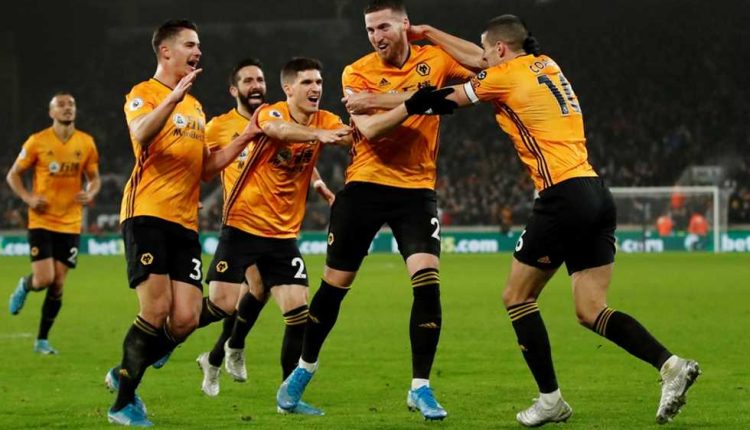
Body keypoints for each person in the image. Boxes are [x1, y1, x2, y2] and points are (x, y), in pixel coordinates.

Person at [411, 14, 700, 426]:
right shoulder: (546, 64)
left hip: (562, 196)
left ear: (500, 49)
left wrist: (391, 103)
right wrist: (428, 34)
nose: (483, 58)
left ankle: (550, 400)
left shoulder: (504, 75)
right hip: (595, 192)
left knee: (517, 297)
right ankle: (671, 366)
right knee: (590, 309)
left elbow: (444, 100)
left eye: (487, 50)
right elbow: (479, 61)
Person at [276, 0, 473, 421]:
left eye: (383, 26)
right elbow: (367, 128)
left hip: (416, 190)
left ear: (404, 25)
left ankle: (420, 387)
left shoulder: (434, 59)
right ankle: (304, 368)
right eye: (370, 29)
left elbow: (486, 66)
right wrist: (417, 103)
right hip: (364, 186)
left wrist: (430, 33)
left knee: (427, 284)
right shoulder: (356, 71)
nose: (376, 36)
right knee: (334, 288)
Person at [104, 19, 262, 427]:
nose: (198, 51)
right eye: (190, 44)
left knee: (187, 319)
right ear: (166, 51)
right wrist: (172, 98)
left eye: (198, 45)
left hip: (184, 223)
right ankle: (123, 403)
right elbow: (141, 133)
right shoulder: (144, 93)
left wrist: (245, 137)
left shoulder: (195, 107)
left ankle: (126, 369)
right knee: (155, 310)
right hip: (147, 214)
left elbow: (206, 168)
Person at [194, 57, 336, 403]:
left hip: (280, 227)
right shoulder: (220, 126)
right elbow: (198, 164)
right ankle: (175, 337)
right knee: (234, 299)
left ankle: (226, 352)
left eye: (260, 79)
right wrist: (190, 194)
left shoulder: (277, 116)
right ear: (234, 89)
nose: (256, 85)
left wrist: (318, 184)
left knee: (260, 293)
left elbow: (297, 154)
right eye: (248, 81)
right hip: (242, 221)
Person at [6, 92, 100, 355]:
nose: (67, 108)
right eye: (61, 105)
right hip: (42, 220)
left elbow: (94, 178)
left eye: (71, 104)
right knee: (44, 279)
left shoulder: (86, 142)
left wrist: (90, 192)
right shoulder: (37, 141)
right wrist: (28, 198)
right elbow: (13, 175)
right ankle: (26, 285)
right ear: (51, 112)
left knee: (58, 284)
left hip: (70, 223)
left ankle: (42, 341)